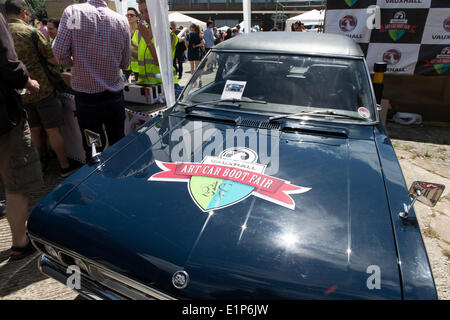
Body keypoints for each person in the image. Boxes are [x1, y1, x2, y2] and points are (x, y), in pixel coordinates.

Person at [52, 0, 131, 162]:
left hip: (88, 101)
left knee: (94, 148)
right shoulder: (121, 20)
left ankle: (96, 182)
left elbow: (59, 53)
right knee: (118, 144)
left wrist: (76, 61)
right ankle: (119, 183)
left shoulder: (74, 12)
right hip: (113, 98)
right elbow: (125, 63)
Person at [6, 0, 76, 177]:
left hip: (20, 92)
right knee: (53, 129)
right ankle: (64, 166)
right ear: (23, 13)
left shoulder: (3, 33)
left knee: (35, 130)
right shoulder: (31, 32)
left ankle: (42, 166)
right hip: (42, 88)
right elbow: (54, 59)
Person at [0, 11, 43, 260]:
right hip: (3, 118)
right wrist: (28, 82)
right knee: (16, 182)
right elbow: (8, 63)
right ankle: (19, 241)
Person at [135, 0, 182, 97]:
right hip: (147, 88)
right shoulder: (141, 32)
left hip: (165, 88)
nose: (144, 16)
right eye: (141, 12)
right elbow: (141, 57)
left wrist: (147, 40)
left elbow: (159, 62)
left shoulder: (168, 35)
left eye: (147, 11)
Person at [125, 7, 140, 79]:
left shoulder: (141, 31)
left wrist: (133, 45)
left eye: (131, 15)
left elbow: (146, 49)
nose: (129, 17)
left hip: (138, 66)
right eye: (127, 15)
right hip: (126, 65)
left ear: (137, 17)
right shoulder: (124, 30)